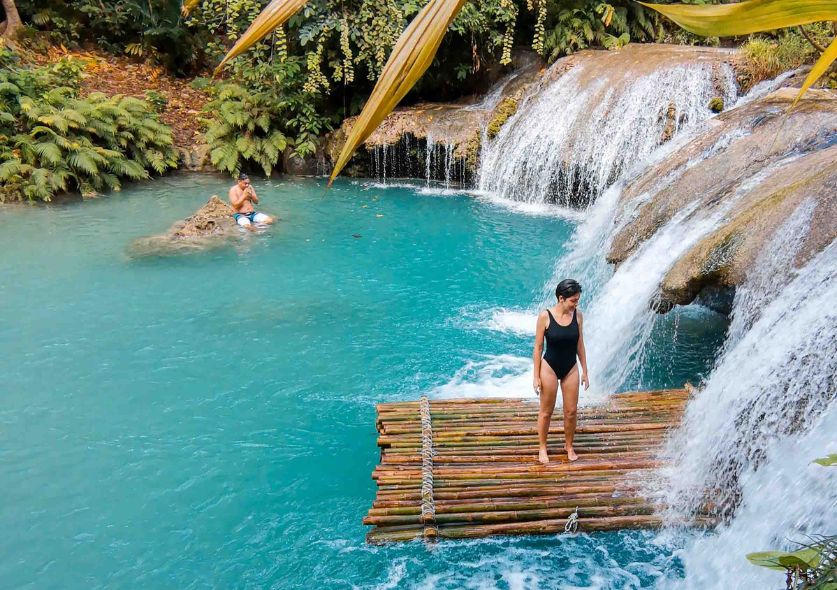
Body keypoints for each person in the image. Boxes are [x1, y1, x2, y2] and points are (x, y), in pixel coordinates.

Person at [532, 279, 589, 464]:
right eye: (573, 300)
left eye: (577, 300)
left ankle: (569, 445)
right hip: (549, 367)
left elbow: (580, 344)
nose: (576, 304)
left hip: (570, 367)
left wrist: (585, 371)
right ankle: (542, 447)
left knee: (571, 411)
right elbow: (538, 347)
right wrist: (536, 377)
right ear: (561, 298)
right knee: (546, 411)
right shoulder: (545, 316)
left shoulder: (578, 316)